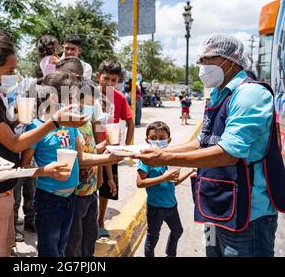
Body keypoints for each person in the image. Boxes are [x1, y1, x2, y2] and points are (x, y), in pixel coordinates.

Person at [137, 34, 285, 257]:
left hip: (247, 218)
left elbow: (228, 154)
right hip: (215, 208)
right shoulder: (217, 94)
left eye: (209, 59)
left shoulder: (249, 94)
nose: (203, 67)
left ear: (232, 58)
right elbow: (202, 141)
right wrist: (160, 150)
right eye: (201, 61)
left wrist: (163, 158)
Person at [0, 37, 88, 257]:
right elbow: (14, 143)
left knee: (6, 247)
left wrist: (17, 121)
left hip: (3, 188)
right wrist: (54, 122)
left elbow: (3, 136)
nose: (14, 75)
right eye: (9, 70)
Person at [21, 70, 123, 257]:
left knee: (61, 248)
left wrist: (109, 158)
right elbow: (24, 167)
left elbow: (82, 158)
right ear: (53, 99)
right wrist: (45, 171)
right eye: (72, 99)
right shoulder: (35, 128)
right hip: (48, 200)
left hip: (71, 198)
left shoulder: (71, 125)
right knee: (49, 250)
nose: (76, 104)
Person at [137, 121, 195, 257]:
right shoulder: (146, 160)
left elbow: (173, 182)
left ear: (169, 140)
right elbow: (140, 183)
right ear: (147, 140)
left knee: (177, 231)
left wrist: (189, 172)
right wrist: (163, 177)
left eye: (162, 138)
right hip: (155, 208)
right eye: (153, 138)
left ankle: (170, 254)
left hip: (171, 205)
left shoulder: (168, 158)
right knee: (153, 238)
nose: (158, 141)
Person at [65, 79, 108, 257]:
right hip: (75, 193)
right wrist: (106, 156)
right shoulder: (69, 127)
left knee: (90, 234)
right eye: (84, 105)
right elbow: (79, 159)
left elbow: (92, 150)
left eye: (91, 104)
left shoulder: (89, 124)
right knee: (74, 237)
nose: (87, 109)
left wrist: (108, 146)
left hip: (91, 190)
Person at [95, 59, 135, 240]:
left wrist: (125, 147)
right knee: (88, 186)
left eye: (114, 80)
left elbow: (130, 121)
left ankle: (100, 221)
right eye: (106, 79)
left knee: (106, 188)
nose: (110, 83)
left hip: (111, 151)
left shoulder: (119, 97)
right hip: (91, 149)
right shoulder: (88, 95)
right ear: (98, 76)